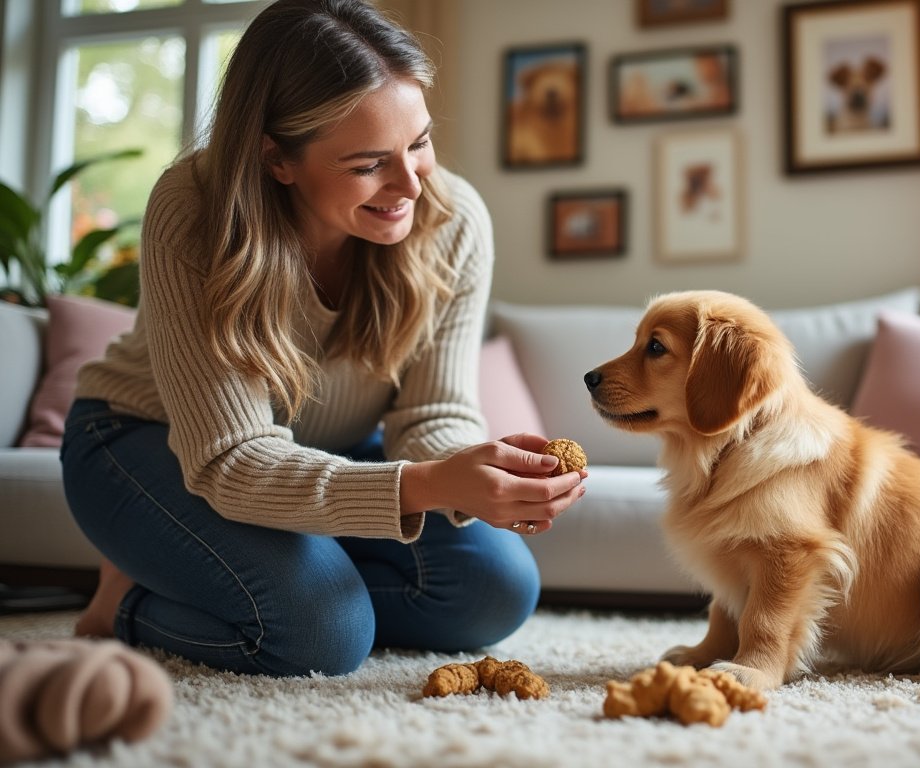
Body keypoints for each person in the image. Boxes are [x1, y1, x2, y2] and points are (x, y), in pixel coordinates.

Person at [60, 0, 585, 678]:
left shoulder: (453, 221)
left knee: (493, 593)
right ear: (277, 158)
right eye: (369, 163)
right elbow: (232, 458)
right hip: (144, 441)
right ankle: (125, 602)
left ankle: (257, 581)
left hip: (314, 448)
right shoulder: (193, 210)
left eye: (419, 142)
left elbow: (431, 413)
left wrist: (468, 474)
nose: (410, 185)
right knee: (320, 636)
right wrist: (421, 486)